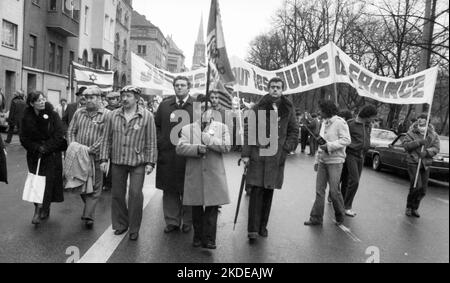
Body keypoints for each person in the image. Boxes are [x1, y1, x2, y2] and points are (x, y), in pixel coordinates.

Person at [241, 77, 299, 240]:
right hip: (258, 155)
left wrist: (286, 148)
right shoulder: (257, 107)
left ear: (282, 90)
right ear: (268, 88)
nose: (275, 89)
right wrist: (245, 154)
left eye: (278, 87)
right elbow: (248, 132)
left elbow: (294, 131)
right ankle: (252, 230)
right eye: (272, 87)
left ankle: (262, 227)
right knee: (256, 191)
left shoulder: (288, 108)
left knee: (268, 191)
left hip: (276, 156)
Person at [100, 85, 157, 241]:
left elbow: (151, 141)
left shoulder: (147, 116)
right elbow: (106, 139)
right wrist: (104, 159)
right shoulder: (112, 115)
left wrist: (151, 162)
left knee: (135, 194)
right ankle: (120, 224)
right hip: (118, 161)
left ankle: (134, 228)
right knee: (117, 194)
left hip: (137, 162)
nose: (124, 98)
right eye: (123, 95)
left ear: (137, 98)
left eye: (129, 96)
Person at [176, 95, 231, 249]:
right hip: (195, 174)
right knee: (197, 208)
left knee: (212, 209)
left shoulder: (222, 128)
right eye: (201, 108)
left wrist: (208, 139)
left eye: (207, 108)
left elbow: (227, 147)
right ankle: (198, 236)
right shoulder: (187, 129)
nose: (204, 112)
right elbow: (180, 148)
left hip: (214, 175)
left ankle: (210, 238)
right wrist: (196, 149)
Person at [20, 91, 67, 225]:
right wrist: (36, 148)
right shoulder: (26, 116)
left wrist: (46, 147)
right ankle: (37, 207)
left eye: (43, 99)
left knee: (48, 183)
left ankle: (43, 209)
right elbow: (23, 137)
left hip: (51, 154)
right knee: (36, 182)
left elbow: (59, 134)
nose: (42, 102)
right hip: (34, 155)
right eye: (38, 100)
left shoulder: (52, 114)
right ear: (31, 103)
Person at [155, 76, 194, 234]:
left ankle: (188, 221)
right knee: (169, 189)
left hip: (189, 156)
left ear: (188, 87)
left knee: (188, 189)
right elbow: (156, 125)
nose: (179, 88)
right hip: (168, 154)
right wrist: (161, 141)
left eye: (182, 85)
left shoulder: (196, 106)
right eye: (176, 85)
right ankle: (172, 221)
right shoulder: (164, 105)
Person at [67, 86, 110, 229]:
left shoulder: (107, 115)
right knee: (80, 184)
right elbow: (71, 131)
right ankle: (89, 209)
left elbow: (106, 136)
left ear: (99, 99)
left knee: (96, 187)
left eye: (92, 97)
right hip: (79, 156)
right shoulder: (79, 113)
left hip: (97, 156)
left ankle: (88, 215)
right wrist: (73, 146)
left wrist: (92, 149)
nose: (88, 100)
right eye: (86, 98)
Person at [304, 100, 350, 226]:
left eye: (321, 110)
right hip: (323, 161)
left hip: (335, 161)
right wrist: (317, 160)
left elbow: (346, 140)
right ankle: (316, 218)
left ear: (327, 110)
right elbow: (321, 142)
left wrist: (329, 146)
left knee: (334, 192)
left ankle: (340, 214)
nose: (319, 112)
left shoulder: (340, 123)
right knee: (319, 191)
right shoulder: (324, 123)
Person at [340, 105, 378, 217]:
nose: (373, 120)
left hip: (362, 156)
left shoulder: (368, 126)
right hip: (350, 154)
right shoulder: (350, 124)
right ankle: (346, 207)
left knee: (347, 180)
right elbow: (343, 138)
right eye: (372, 117)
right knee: (354, 181)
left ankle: (340, 200)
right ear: (367, 115)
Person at [402, 113, 440, 218]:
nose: (420, 119)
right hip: (413, 161)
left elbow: (436, 148)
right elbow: (405, 146)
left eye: (423, 118)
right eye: (419, 118)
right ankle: (409, 207)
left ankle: (415, 208)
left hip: (426, 163)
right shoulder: (411, 132)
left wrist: (427, 152)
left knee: (423, 189)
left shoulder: (433, 134)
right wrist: (418, 142)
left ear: (428, 120)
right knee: (416, 186)